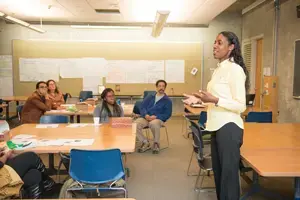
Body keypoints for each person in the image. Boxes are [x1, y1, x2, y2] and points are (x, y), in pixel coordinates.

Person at [184, 31, 248, 200]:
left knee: (228, 179)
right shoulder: (219, 69)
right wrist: (198, 100)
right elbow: (216, 101)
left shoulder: (235, 70)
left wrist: (214, 99)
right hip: (217, 127)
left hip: (229, 128)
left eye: (220, 42)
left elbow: (240, 105)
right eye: (214, 42)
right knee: (219, 176)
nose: (215, 45)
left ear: (231, 47)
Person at [136, 80, 172, 154]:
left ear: (165, 87)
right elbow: (142, 107)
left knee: (153, 123)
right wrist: (145, 115)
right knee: (135, 124)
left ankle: (156, 143)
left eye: (163, 86)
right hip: (146, 117)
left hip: (158, 119)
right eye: (159, 86)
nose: (161, 88)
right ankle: (145, 142)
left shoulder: (167, 101)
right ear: (156, 87)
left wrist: (156, 117)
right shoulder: (150, 97)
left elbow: (167, 114)